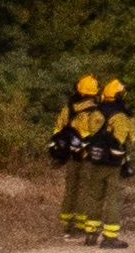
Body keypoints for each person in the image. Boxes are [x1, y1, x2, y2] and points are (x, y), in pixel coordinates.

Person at [49, 76, 115, 243]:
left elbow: (57, 129)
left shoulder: (69, 108)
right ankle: (81, 224)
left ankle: (65, 224)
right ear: (94, 92)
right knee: (87, 188)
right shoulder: (97, 110)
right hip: (88, 156)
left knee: (70, 188)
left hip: (72, 155)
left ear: (78, 89)